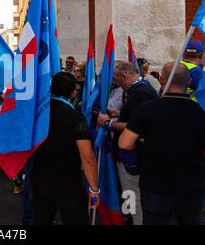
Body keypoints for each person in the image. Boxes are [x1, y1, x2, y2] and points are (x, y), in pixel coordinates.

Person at [119, 63, 205, 225]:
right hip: (192, 186)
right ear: (189, 82)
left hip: (155, 186)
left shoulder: (147, 109)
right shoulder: (200, 111)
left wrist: (144, 140)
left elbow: (124, 143)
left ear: (162, 80)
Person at [31, 72, 99, 225]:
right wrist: (94, 189)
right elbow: (87, 158)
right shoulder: (75, 117)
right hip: (67, 181)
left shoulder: (38, 113)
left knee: (42, 220)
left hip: (40, 176)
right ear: (73, 92)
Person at [98, 61, 158, 225]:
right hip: (132, 155)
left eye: (117, 80)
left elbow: (142, 125)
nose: (117, 84)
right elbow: (136, 117)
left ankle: (134, 221)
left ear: (125, 76)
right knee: (129, 195)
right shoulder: (140, 90)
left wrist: (108, 123)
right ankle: (130, 219)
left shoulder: (141, 92)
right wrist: (119, 113)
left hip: (133, 157)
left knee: (133, 196)